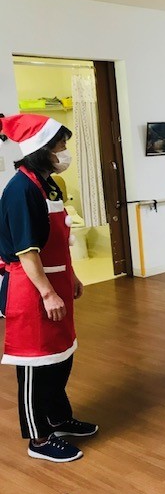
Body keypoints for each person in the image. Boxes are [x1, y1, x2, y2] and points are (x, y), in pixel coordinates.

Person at [0, 114, 98, 462]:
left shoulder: (47, 184)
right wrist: (47, 292)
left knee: (60, 356)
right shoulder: (21, 190)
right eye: (61, 145)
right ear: (42, 149)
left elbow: (57, 240)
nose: (65, 151)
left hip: (55, 280)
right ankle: (38, 438)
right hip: (31, 288)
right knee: (35, 363)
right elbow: (27, 252)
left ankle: (58, 418)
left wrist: (71, 277)